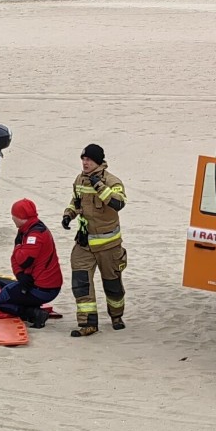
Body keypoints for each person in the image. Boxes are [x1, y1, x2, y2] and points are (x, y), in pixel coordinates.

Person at [62, 144, 127, 337]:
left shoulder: (113, 181)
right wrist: (68, 214)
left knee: (113, 285)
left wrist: (99, 185)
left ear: (98, 161)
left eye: (88, 159)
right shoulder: (79, 179)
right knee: (81, 283)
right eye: (83, 159)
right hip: (84, 244)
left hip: (109, 246)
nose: (85, 162)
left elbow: (118, 203)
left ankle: (116, 316)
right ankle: (88, 324)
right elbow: (76, 200)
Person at [0, 199, 63, 328]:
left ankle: (33, 313)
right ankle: (32, 308)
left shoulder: (34, 235)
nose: (12, 218)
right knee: (7, 287)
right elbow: (16, 259)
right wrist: (19, 273)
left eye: (13, 215)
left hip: (42, 288)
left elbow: (23, 261)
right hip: (45, 284)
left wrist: (17, 246)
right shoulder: (31, 228)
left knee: (1, 299)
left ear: (20, 217)